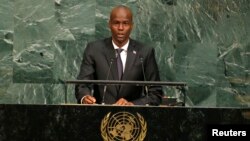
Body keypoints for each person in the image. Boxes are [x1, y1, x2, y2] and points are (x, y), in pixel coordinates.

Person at [75, 5, 163, 106]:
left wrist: (132, 104)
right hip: (101, 116)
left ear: (132, 26)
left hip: (134, 117)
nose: (120, 28)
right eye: (116, 23)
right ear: (109, 24)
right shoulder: (94, 50)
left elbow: (156, 93)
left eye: (125, 23)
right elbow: (82, 84)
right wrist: (85, 97)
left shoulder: (144, 52)